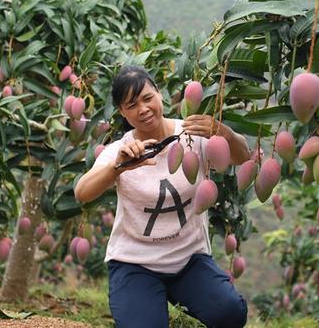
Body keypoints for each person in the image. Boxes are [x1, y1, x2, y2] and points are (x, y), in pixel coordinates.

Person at [75, 65, 251, 328]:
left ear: (159, 94)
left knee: (230, 313)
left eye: (147, 98)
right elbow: (82, 193)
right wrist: (119, 167)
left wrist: (222, 132)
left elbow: (242, 156)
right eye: (132, 105)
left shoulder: (193, 136)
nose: (143, 109)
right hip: (134, 264)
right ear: (123, 112)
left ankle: (178, 292)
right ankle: (146, 299)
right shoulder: (121, 151)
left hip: (189, 261)